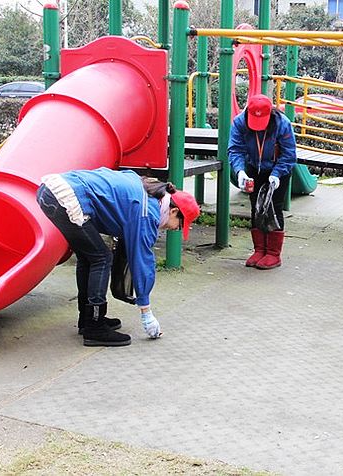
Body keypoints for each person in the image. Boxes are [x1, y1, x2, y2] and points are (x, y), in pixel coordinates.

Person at [36, 167, 200, 347]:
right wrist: (146, 312)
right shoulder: (148, 212)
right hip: (65, 198)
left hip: (51, 191)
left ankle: (88, 319)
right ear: (174, 211)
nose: (174, 229)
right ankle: (95, 328)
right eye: (179, 226)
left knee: (88, 257)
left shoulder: (147, 191)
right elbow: (142, 263)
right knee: (101, 258)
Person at [228, 94, 297, 269]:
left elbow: (289, 154)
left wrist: (277, 174)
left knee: (274, 207)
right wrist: (240, 171)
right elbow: (235, 149)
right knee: (256, 207)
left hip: (278, 169)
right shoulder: (239, 122)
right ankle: (259, 250)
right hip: (253, 168)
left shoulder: (283, 124)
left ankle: (273, 254)